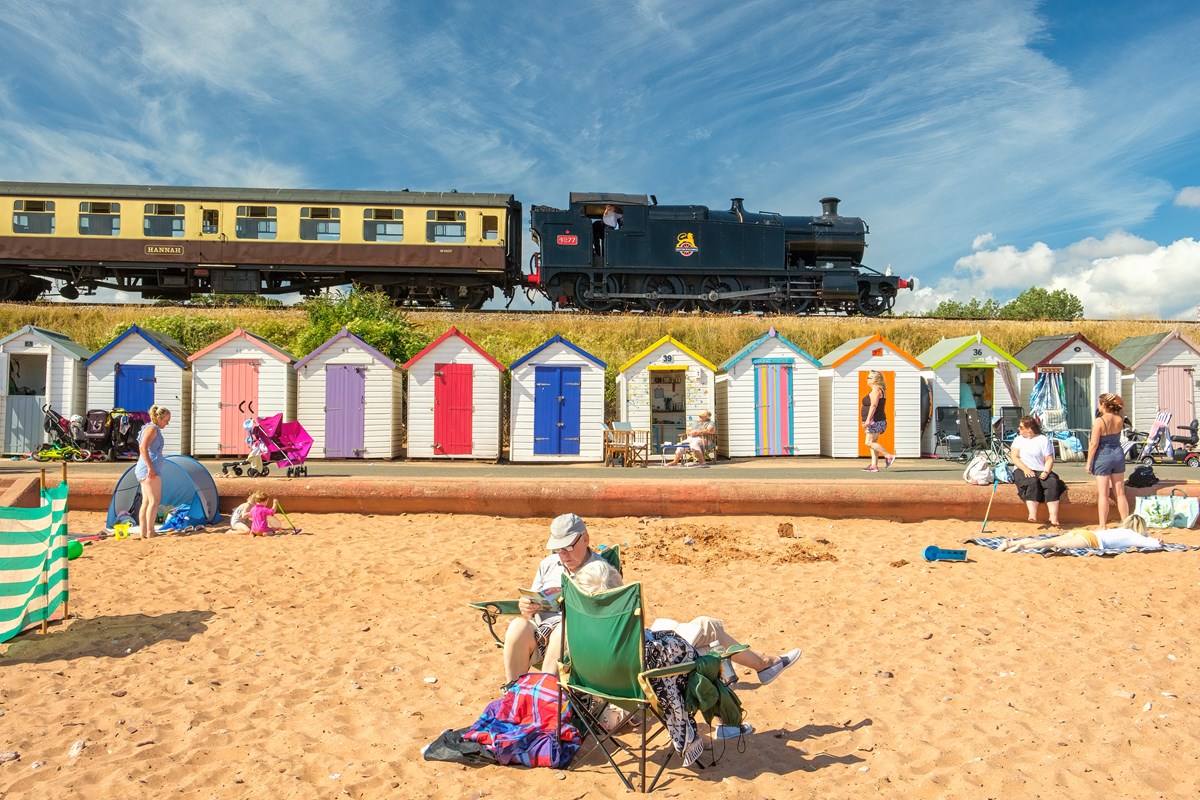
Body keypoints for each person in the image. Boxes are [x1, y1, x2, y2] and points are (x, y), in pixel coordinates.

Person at [571, 560, 801, 744]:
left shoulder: (577, 629)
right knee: (708, 642)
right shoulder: (626, 636)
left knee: (706, 630)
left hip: (601, 684)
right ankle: (759, 672)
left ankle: (758, 675)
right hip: (642, 685)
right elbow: (661, 656)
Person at [502, 513, 612, 685]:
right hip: (542, 634)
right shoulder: (548, 564)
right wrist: (527, 607)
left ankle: (543, 694)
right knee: (517, 626)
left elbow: (607, 618)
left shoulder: (601, 570)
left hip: (577, 643)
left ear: (585, 539)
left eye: (568, 547)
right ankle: (513, 694)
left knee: (564, 629)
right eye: (558, 549)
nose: (563, 555)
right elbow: (532, 604)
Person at [1009, 415, 1068, 527]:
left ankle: (1053, 515)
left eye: (1021, 427)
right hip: (1023, 468)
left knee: (1052, 483)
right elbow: (1014, 456)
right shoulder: (1018, 440)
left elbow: (1049, 459)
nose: (1018, 429)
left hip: (1040, 468)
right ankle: (1032, 513)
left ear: (1029, 429)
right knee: (1032, 482)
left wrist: (1046, 472)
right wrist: (1025, 468)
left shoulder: (1043, 440)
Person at [998, 514, 1164, 552]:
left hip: (1084, 532)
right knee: (1053, 543)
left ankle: (1010, 542)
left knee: (1054, 539)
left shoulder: (1119, 529)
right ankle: (1021, 546)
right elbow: (1153, 544)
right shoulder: (1133, 535)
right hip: (1091, 540)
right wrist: (1157, 540)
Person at [1088, 393, 1130, 529]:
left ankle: (1102, 525)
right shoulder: (1119, 418)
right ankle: (1126, 523)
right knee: (1120, 492)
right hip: (1118, 453)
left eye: (1099, 404)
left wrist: (1088, 463)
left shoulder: (1100, 421)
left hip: (1103, 455)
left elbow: (1094, 444)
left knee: (1103, 494)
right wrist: (1117, 396)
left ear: (1103, 405)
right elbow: (1122, 406)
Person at [134, 405, 171, 539]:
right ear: (159, 418)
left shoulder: (149, 428)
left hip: (145, 468)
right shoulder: (152, 429)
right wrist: (151, 467)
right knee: (154, 501)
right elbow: (143, 448)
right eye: (166, 420)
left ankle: (143, 532)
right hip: (149, 469)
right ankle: (150, 532)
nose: (167, 423)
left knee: (146, 501)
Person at [861, 370, 895, 471]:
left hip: (874, 420)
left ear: (874, 380)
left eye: (869, 378)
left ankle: (888, 456)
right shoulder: (879, 389)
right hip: (877, 420)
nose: (867, 379)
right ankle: (874, 465)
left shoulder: (876, 390)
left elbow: (874, 405)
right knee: (873, 442)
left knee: (868, 442)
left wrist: (868, 420)